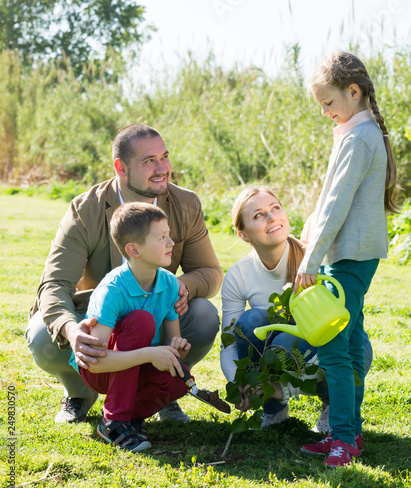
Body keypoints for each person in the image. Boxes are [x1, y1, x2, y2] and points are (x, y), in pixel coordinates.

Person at [26, 123, 223, 424]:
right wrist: (71, 330)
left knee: (205, 314)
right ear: (121, 167)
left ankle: (159, 390)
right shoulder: (85, 210)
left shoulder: (186, 203)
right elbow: (54, 285)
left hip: (157, 314)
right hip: (100, 322)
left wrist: (181, 285)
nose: (163, 168)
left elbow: (209, 271)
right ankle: (79, 393)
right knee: (43, 331)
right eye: (149, 161)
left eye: (165, 157)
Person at [295, 52, 398, 467]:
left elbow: (337, 205)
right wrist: (309, 234)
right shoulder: (358, 130)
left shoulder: (358, 137)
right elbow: (332, 200)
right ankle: (350, 432)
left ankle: (342, 438)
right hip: (355, 254)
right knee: (351, 342)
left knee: (335, 349)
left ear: (353, 92)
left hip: (349, 256)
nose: (325, 112)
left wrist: (311, 259)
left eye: (328, 103)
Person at [219, 186, 373, 430]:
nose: (272, 218)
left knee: (286, 343)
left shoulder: (313, 260)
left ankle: (333, 404)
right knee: (249, 323)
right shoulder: (238, 275)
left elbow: (339, 330)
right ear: (243, 234)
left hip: (323, 345)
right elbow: (229, 343)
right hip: (282, 350)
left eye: (275, 208)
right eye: (258, 215)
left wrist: (285, 387)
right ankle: (274, 409)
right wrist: (237, 382)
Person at [71, 202, 192, 452]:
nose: (171, 243)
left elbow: (174, 346)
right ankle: (114, 421)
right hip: (100, 370)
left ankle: (131, 417)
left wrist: (177, 349)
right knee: (141, 320)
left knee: (181, 379)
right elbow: (96, 361)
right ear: (134, 250)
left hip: (134, 367)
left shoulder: (170, 284)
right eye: (162, 238)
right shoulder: (112, 290)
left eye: (169, 235)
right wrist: (149, 354)